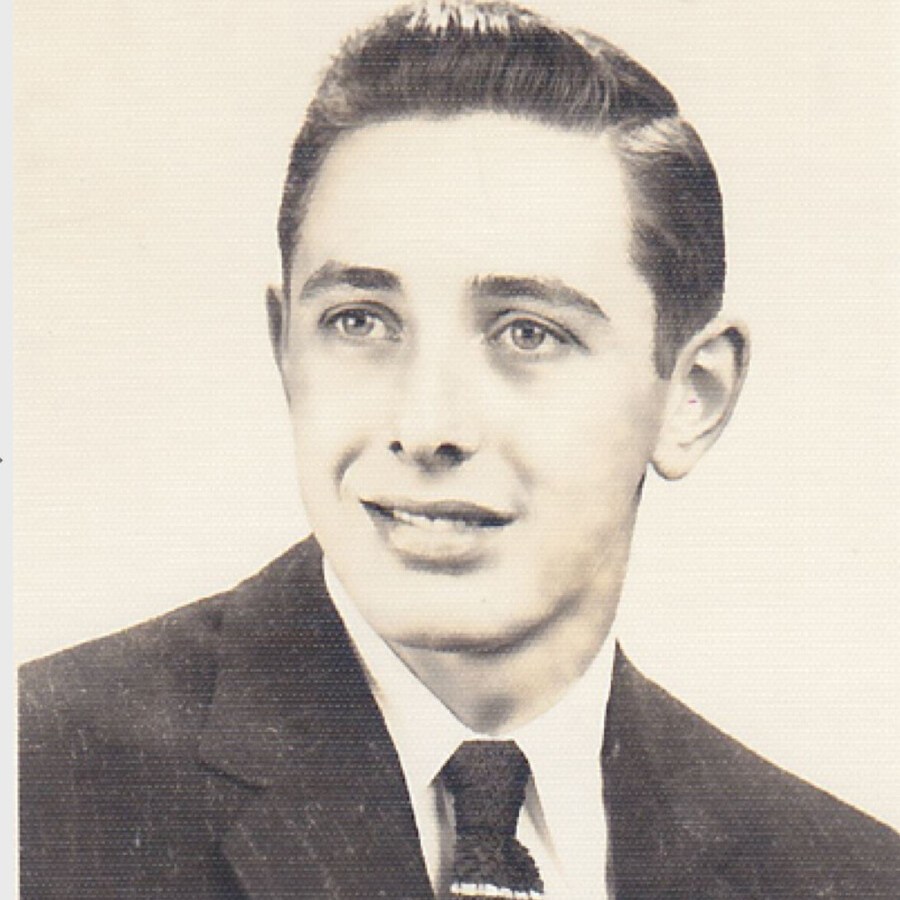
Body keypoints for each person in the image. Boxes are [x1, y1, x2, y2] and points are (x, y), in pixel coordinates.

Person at [18, 2, 900, 897]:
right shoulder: (38, 786)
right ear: (286, 350)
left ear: (692, 396)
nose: (427, 423)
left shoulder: (850, 874)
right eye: (360, 322)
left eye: (528, 333)